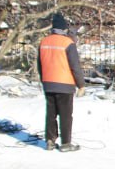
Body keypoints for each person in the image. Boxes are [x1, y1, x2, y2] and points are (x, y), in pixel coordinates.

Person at [37, 12, 86, 152]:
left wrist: (44, 80)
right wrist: (81, 85)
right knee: (65, 114)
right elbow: (75, 66)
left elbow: (39, 64)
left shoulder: (44, 41)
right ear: (64, 28)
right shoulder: (68, 43)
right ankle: (66, 143)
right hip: (65, 84)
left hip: (48, 83)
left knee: (51, 113)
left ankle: (50, 140)